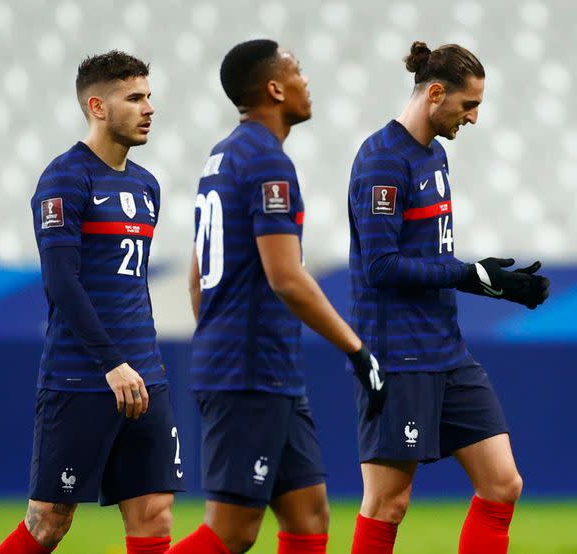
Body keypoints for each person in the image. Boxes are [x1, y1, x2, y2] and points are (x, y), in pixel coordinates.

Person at [167, 39, 386, 554]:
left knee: (308, 517)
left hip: (264, 369)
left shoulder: (221, 157)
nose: (306, 82)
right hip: (249, 372)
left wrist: (220, 340)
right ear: (274, 88)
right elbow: (286, 277)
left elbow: (197, 279)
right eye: (298, 71)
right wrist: (356, 349)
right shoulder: (267, 162)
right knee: (232, 531)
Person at [347, 41, 550, 554]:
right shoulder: (381, 160)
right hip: (398, 353)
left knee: (503, 483)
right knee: (387, 504)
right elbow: (381, 265)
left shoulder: (433, 154)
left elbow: (430, 255)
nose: (475, 118)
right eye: (468, 105)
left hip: (446, 349)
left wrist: (487, 279)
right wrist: (468, 274)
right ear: (435, 93)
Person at [0, 51, 184, 554]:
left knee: (155, 514)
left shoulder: (147, 187)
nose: (149, 108)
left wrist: (137, 362)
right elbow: (62, 283)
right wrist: (111, 363)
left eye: (149, 96)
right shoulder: (65, 178)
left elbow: (130, 284)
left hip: (145, 375)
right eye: (135, 98)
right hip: (82, 377)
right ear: (97, 106)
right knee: (49, 521)